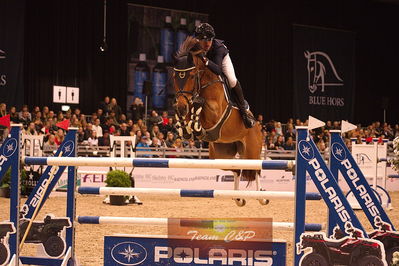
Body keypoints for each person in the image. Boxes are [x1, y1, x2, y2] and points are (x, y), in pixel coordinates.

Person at [194, 23, 255, 128]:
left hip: (221, 62)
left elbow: (218, 70)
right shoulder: (194, 46)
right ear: (198, 40)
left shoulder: (219, 48)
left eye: (210, 39)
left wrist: (204, 59)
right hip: (207, 63)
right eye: (204, 40)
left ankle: (244, 111)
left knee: (232, 80)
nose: (207, 43)